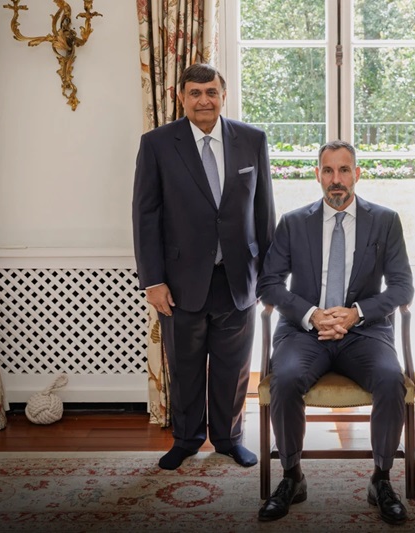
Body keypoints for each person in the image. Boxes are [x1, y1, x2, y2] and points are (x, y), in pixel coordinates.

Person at [256, 141, 413, 525]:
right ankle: (292, 476)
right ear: (317, 175)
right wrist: (311, 315)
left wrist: (356, 313)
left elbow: (401, 287)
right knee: (287, 377)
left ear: (357, 174)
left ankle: (381, 478)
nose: (336, 180)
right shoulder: (294, 222)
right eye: (328, 171)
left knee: (393, 379)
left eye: (344, 170)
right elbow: (269, 284)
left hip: (364, 332)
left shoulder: (385, 220)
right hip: (304, 332)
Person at [132, 63, 275, 470]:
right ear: (181, 98)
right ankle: (187, 439)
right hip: (179, 281)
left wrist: (270, 277)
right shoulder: (158, 144)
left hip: (238, 278)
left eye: (211, 92)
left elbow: (264, 211)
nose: (204, 100)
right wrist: (153, 280)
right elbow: (145, 215)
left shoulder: (252, 140)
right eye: (194, 93)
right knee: (185, 366)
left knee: (233, 367)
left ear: (223, 95)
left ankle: (229, 439)